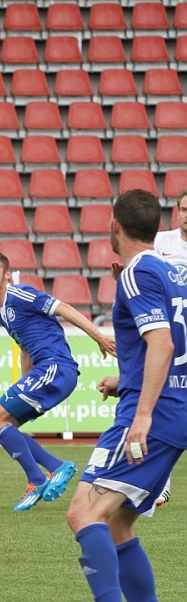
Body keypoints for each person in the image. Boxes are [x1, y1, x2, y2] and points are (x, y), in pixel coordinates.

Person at [66, 189, 187, 602]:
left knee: (84, 514)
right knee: (117, 525)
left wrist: (143, 414)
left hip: (152, 415)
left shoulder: (138, 273)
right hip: (173, 408)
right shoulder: (172, 273)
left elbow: (163, 345)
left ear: (114, 225)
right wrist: (126, 378)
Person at [0, 252, 117, 511]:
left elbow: (63, 308)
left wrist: (98, 337)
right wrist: (21, 385)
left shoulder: (19, 294)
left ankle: (38, 479)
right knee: (5, 424)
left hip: (55, 367)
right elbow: (25, 348)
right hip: (44, 371)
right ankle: (54, 467)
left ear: (6, 275)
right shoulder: (2, 313)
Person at [147, 187, 187, 507]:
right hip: (171, 337)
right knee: (163, 407)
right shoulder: (162, 242)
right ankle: (161, 482)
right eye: (184, 210)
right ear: (177, 211)